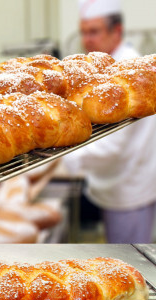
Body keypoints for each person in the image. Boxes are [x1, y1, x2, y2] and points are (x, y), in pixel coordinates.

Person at [63, 0, 156, 243]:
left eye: (94, 31)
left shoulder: (128, 70)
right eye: (83, 32)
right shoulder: (106, 69)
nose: (87, 40)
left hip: (129, 190)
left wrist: (67, 158)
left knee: (131, 257)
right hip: (116, 186)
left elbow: (113, 146)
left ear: (117, 31)